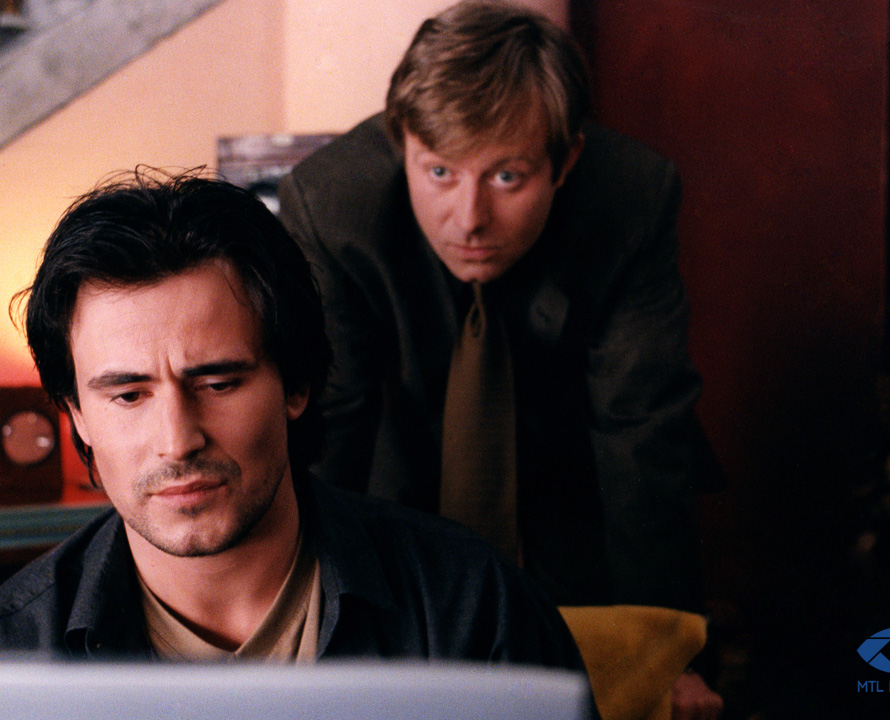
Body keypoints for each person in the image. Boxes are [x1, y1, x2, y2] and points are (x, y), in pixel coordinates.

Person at [0, 170, 581, 670]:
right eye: (128, 396)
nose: (178, 440)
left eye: (218, 383)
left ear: (295, 383)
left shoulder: (474, 614)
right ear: (77, 416)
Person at [277, 0, 722, 715]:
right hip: (394, 507)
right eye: (440, 172)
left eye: (507, 177)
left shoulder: (630, 198)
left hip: (576, 515)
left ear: (565, 161)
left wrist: (667, 648)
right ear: (402, 142)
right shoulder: (331, 205)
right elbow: (331, 426)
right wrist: (296, 635)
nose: (470, 219)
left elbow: (641, 428)